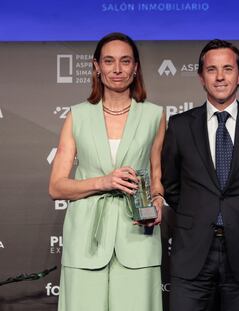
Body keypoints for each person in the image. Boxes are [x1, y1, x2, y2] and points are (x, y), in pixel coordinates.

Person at [49, 32, 166, 311]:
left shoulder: (154, 115)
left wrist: (158, 203)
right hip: (86, 240)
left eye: (125, 61)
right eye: (109, 61)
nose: (117, 69)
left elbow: (156, 176)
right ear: (96, 66)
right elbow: (57, 187)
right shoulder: (77, 115)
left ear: (135, 67)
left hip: (138, 237)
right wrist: (104, 181)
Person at [162, 39, 239, 311]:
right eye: (212, 70)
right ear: (201, 77)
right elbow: (171, 185)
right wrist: (198, 212)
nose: (220, 77)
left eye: (228, 69)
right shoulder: (180, 125)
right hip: (192, 252)